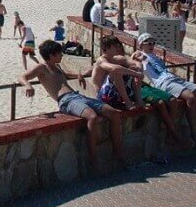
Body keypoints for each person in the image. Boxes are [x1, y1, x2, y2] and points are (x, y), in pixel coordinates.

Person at [18, 40, 127, 172]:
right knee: (92, 117)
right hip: (66, 100)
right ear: (52, 55)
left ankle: (119, 154)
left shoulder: (57, 67)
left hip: (77, 96)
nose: (62, 56)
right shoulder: (42, 67)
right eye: (59, 54)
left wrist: (78, 75)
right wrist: (28, 86)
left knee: (114, 113)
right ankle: (93, 159)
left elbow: (65, 75)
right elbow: (22, 76)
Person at [132, 33, 196, 146]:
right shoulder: (140, 55)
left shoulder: (155, 56)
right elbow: (132, 60)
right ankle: (194, 133)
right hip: (164, 82)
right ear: (141, 45)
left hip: (174, 78)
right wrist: (138, 56)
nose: (152, 45)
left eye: (153, 43)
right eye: (148, 43)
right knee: (191, 98)